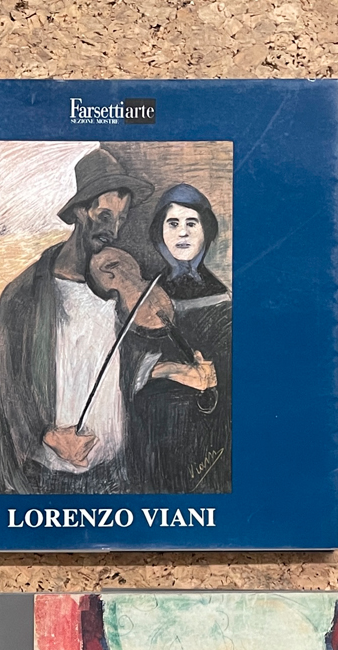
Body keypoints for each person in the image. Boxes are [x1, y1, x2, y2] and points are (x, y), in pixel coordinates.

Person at [0, 147, 158, 495]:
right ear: (81, 211)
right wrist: (48, 436)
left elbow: (118, 365)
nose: (114, 230)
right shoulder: (23, 293)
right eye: (104, 215)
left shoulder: (116, 286)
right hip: (46, 476)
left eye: (122, 218)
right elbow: (10, 387)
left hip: (115, 474)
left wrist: (171, 370)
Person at [124, 184, 232, 493]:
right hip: (153, 436)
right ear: (160, 233)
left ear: (206, 230)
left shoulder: (223, 297)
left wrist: (213, 375)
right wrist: (169, 370)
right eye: (172, 223)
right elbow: (124, 364)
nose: (182, 233)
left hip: (208, 433)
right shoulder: (145, 295)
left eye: (191, 223)